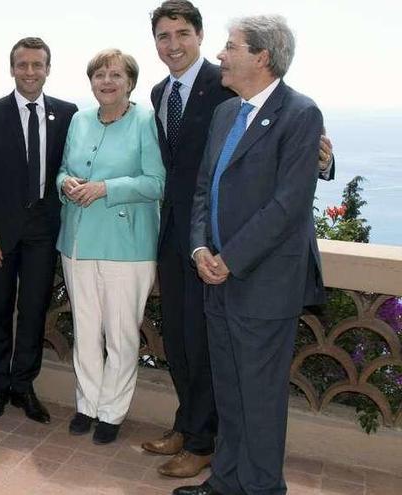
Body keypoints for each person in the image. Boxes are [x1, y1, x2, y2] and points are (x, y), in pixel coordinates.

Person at [145, 1, 336, 479]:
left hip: (260, 278)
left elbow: (288, 202)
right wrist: (198, 247)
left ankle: (258, 484)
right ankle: (225, 479)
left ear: (262, 57)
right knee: (222, 381)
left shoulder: (296, 111)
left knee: (258, 395)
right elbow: (202, 188)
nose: (223, 55)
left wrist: (229, 257)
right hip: (208, 265)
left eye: (230, 47)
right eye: (162, 35)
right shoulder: (224, 110)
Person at [56, 49, 165, 445]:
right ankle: (86, 404)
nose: (106, 81)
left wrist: (106, 189)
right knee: (85, 331)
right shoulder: (80, 120)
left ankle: (112, 411)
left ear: (130, 82)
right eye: (99, 74)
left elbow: (157, 182)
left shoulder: (146, 121)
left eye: (115, 75)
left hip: (127, 247)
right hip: (78, 243)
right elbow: (65, 169)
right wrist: (64, 183)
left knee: (121, 335)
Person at [0, 37, 77, 424]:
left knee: (33, 311)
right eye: (23, 65)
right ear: (12, 68)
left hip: (43, 232)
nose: (30, 72)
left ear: (49, 68)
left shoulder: (67, 113)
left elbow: (70, 168)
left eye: (38, 65)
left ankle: (23, 386)